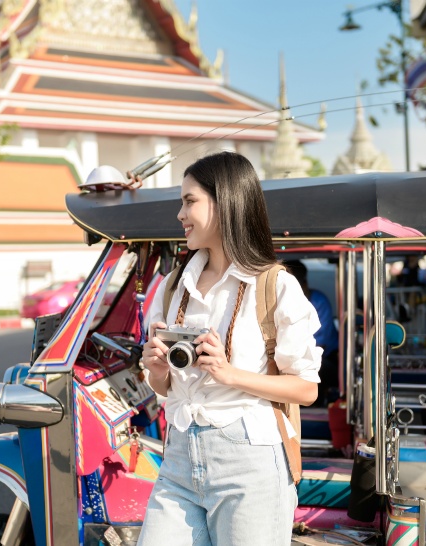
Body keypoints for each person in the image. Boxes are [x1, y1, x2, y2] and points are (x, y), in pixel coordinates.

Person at [138, 152, 322, 546]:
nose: (180, 214)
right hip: (179, 456)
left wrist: (228, 373)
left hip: (249, 461)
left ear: (225, 202)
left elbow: (307, 389)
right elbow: (165, 386)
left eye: (190, 201)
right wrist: (156, 370)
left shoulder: (275, 285)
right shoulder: (173, 286)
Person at [282, 260, 339, 406]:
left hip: (323, 358)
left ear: (304, 284)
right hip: (287, 360)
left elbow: (320, 345)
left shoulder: (318, 301)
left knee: (318, 370)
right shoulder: (279, 302)